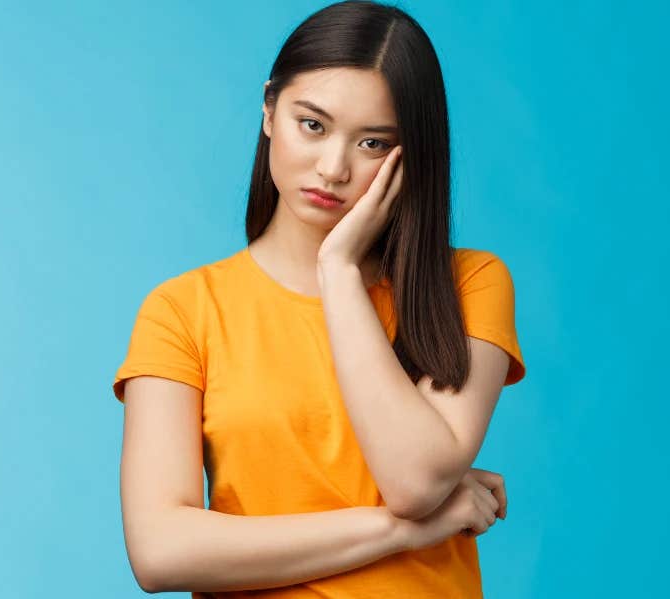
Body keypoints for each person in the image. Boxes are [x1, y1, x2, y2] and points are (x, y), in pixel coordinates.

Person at [111, 1, 527, 596]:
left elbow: (415, 480)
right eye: (313, 124)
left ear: (414, 154)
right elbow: (161, 552)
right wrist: (402, 531)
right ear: (268, 110)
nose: (333, 168)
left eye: (373, 143)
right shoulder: (184, 310)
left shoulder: (466, 285)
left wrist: (337, 271)